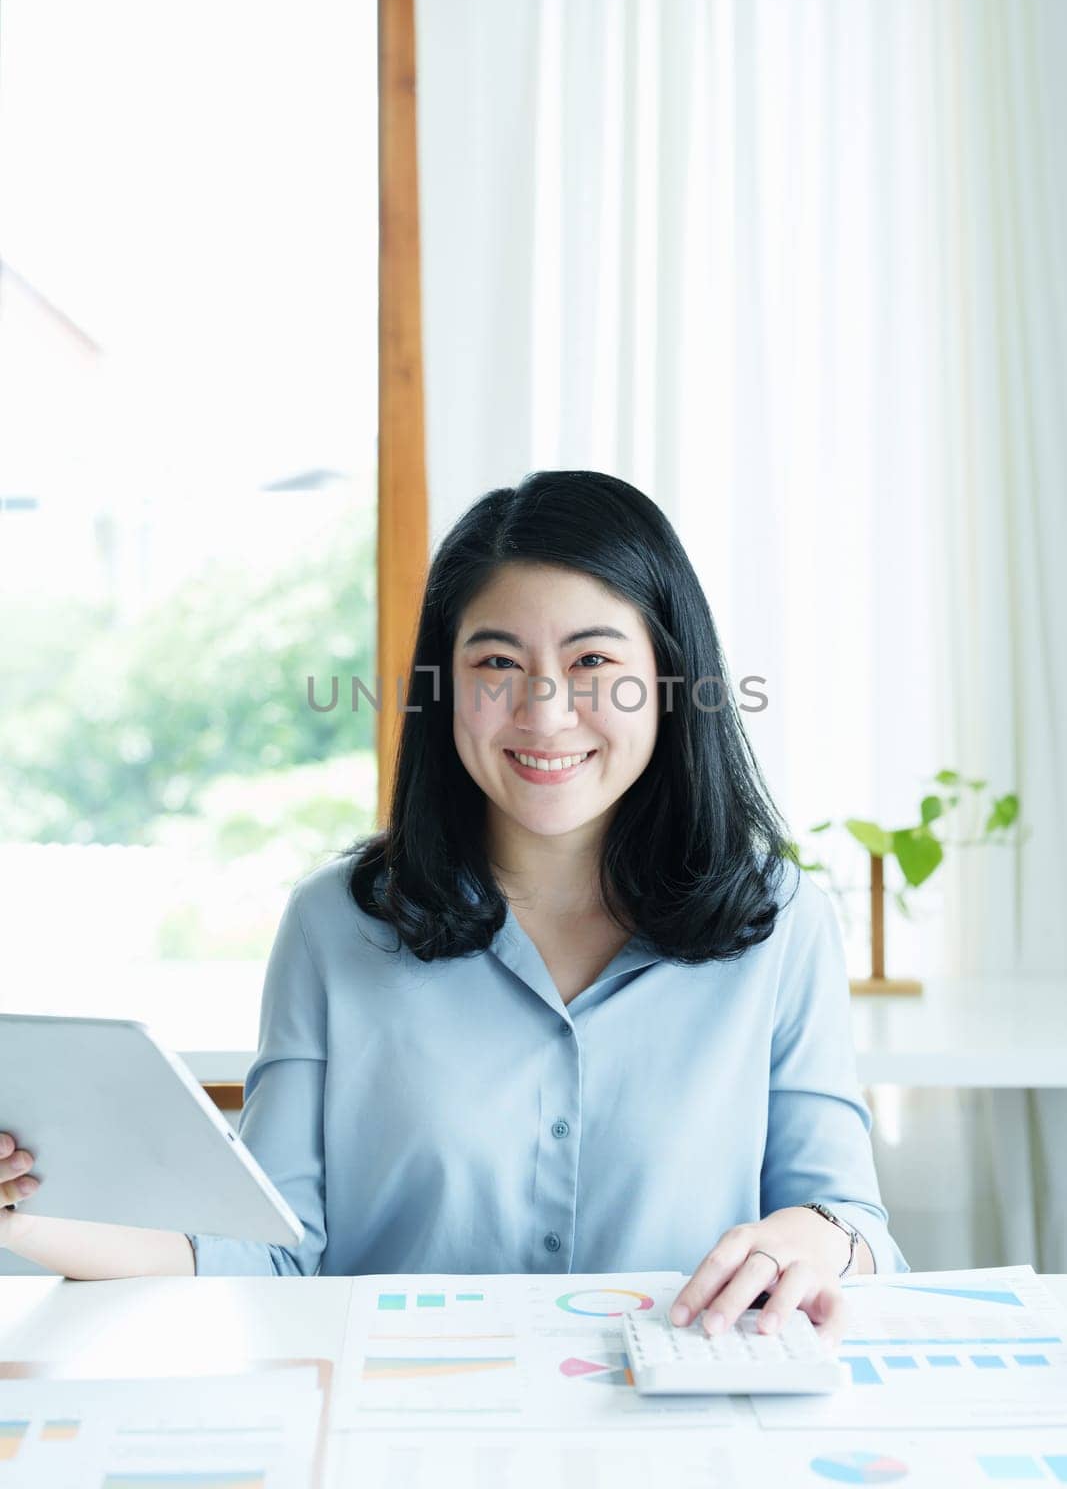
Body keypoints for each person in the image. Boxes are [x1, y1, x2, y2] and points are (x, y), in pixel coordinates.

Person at [0, 470, 907, 1339]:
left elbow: (851, 1222)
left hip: (675, 1424)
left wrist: (818, 1238)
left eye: (592, 658)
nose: (543, 712)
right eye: (496, 662)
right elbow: (270, 1254)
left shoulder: (779, 921)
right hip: (394, 1423)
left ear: (668, 680)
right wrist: (24, 1222)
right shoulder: (334, 926)